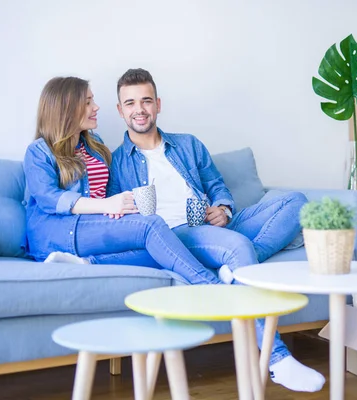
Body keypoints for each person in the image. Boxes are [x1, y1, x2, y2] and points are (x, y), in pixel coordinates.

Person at [107, 68, 325, 393]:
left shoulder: (188, 145)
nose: (140, 109)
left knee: (296, 202)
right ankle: (277, 359)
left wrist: (223, 209)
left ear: (158, 104)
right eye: (131, 103)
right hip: (176, 235)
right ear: (120, 110)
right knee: (237, 247)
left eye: (146, 101)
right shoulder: (116, 163)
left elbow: (216, 185)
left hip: (212, 225)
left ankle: (231, 268)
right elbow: (122, 221)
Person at [23, 76, 225, 287]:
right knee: (152, 225)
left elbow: (106, 192)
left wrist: (117, 208)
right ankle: (211, 285)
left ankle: (86, 263)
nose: (96, 107)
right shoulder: (39, 151)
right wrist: (107, 205)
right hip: (58, 231)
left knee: (158, 246)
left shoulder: (94, 145)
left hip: (94, 225)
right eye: (88, 102)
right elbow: (49, 199)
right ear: (67, 108)